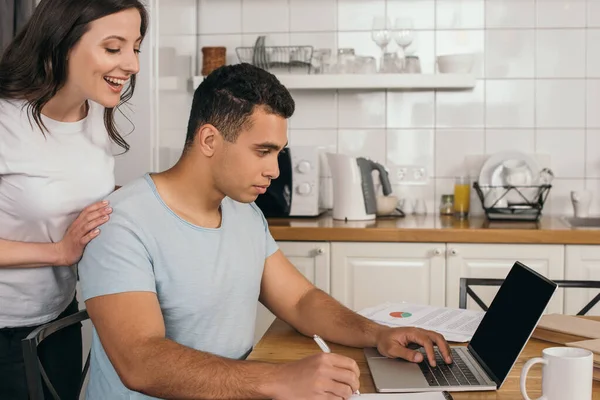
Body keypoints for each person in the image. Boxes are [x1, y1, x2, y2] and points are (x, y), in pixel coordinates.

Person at [78, 63, 453, 400]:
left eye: (278, 153)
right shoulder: (121, 222)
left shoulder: (243, 213)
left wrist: (377, 334)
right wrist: (279, 380)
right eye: (263, 151)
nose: (274, 170)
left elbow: (300, 300)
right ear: (210, 140)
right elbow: (140, 362)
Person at [0, 0, 148, 398]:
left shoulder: (95, 114)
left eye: (136, 47)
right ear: (63, 42)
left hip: (58, 320)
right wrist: (59, 252)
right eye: (114, 48)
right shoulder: (4, 119)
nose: (132, 64)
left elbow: (74, 197)